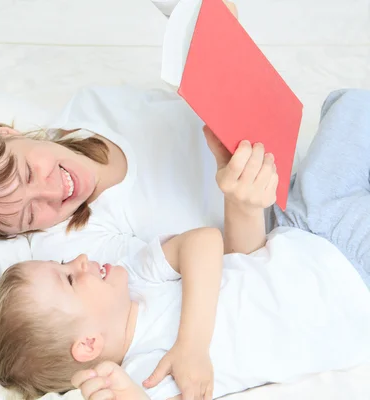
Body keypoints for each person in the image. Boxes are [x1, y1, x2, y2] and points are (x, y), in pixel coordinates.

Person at [71, 88, 370, 400]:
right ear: (88, 343)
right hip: (352, 282)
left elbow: (205, 242)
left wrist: (192, 344)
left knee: (350, 105)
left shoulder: (135, 276)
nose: (78, 259)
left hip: (298, 227)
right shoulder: (145, 373)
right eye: (67, 279)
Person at [0, 2, 244, 262]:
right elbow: (232, 269)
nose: (52, 192)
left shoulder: (90, 108)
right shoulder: (80, 245)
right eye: (29, 215)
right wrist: (244, 203)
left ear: (6, 132)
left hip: (271, 142)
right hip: (275, 221)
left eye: (27, 173)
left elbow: (194, 99)